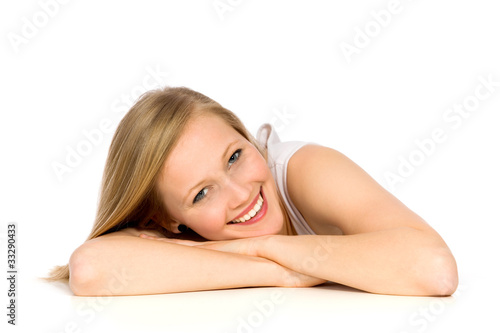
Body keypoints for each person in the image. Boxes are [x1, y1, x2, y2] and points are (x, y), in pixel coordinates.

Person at [46, 87, 458, 296]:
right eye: (201, 194)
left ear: (247, 136)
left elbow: (434, 270)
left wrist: (267, 251)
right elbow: (90, 269)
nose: (240, 194)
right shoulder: (173, 232)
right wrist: (276, 266)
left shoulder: (304, 169)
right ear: (167, 221)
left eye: (234, 157)